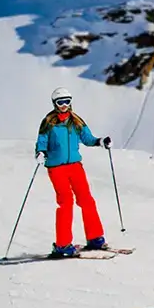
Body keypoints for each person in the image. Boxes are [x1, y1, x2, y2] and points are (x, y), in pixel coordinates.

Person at [35, 87, 111, 257]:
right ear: (55, 103)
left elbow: (88, 139)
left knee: (86, 199)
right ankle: (62, 245)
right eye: (60, 102)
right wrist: (40, 152)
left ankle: (95, 237)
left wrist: (100, 142)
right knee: (66, 202)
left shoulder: (76, 121)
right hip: (56, 168)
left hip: (75, 166)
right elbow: (41, 141)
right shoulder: (49, 122)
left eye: (67, 101)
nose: (64, 105)